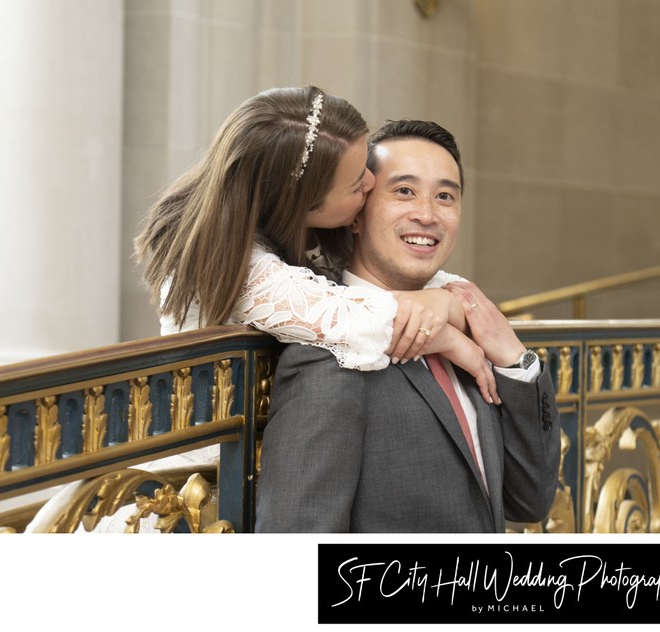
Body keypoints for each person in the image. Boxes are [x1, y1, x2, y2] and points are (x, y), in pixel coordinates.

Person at [255, 119, 561, 533]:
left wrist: (513, 360)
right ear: (357, 213)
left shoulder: (467, 327)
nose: (427, 214)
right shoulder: (329, 354)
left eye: (445, 196)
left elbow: (529, 501)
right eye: (404, 191)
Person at [134, 86, 497, 402]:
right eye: (357, 184)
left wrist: (448, 300)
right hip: (207, 470)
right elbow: (358, 323)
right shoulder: (227, 261)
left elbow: (430, 291)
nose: (372, 182)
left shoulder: (305, 229)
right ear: (302, 202)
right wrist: (452, 337)